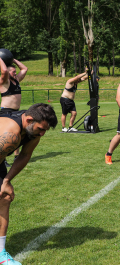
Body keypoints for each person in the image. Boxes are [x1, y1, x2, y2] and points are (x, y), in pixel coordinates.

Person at [0, 103, 57, 265]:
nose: (43, 133)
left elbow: (25, 155)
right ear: (29, 119)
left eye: (45, 130)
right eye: (41, 129)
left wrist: (6, 181)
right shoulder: (11, 134)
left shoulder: (33, 131)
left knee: (4, 197)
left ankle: (0, 254)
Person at [0, 54, 28, 167]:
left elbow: (25, 68)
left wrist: (13, 60)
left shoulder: (17, 80)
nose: (15, 73)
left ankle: (17, 156)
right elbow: (5, 71)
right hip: (6, 111)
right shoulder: (4, 82)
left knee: (18, 134)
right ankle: (3, 158)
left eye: (16, 72)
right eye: (13, 72)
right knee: (5, 136)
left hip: (16, 111)